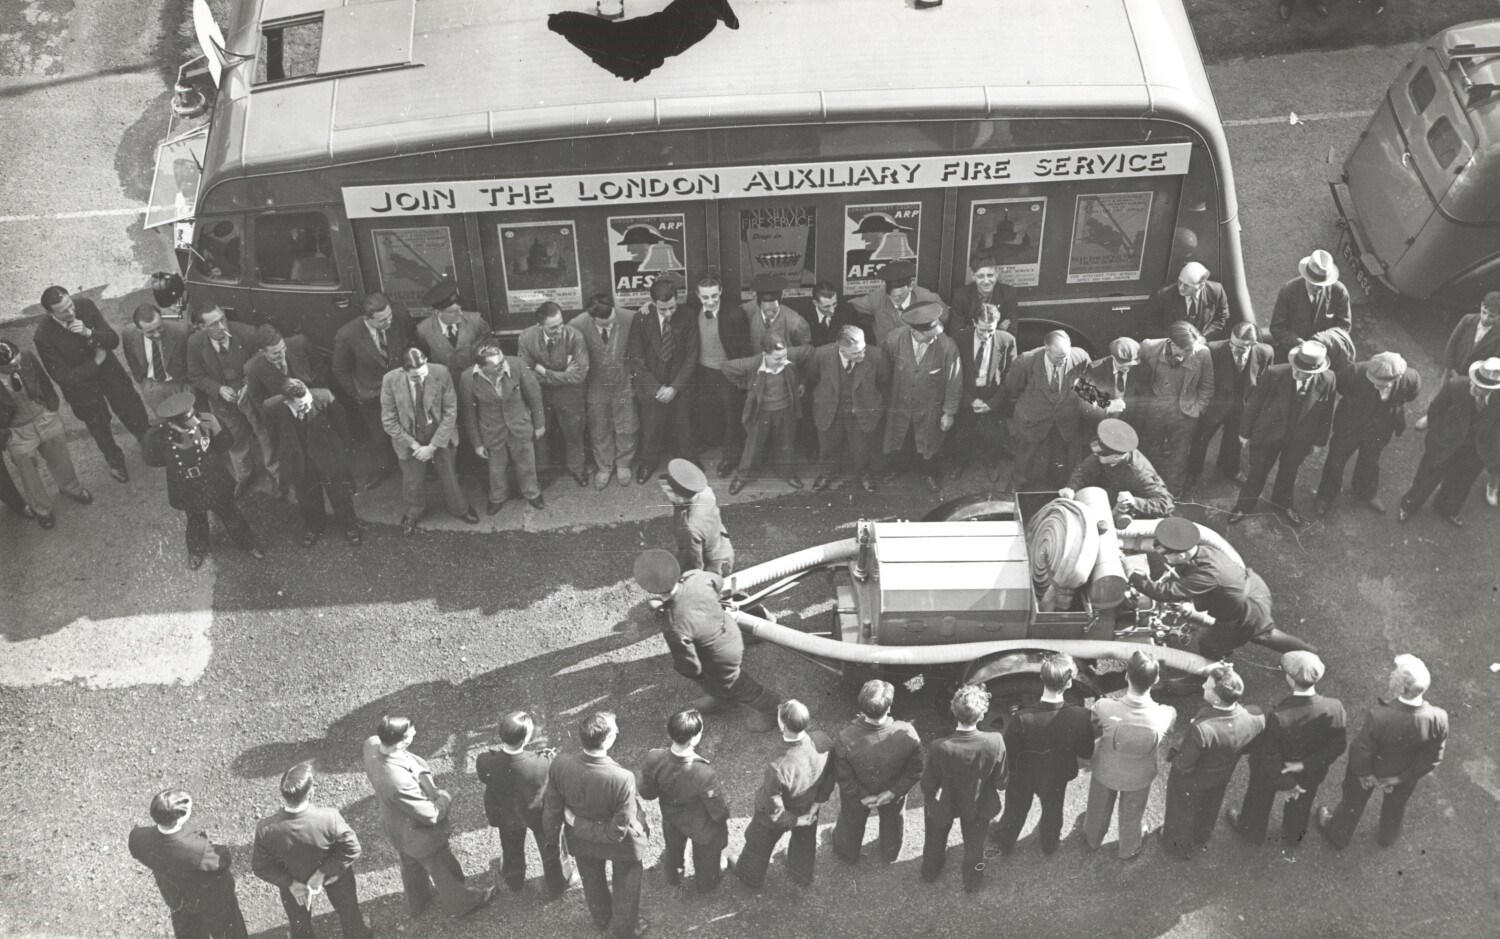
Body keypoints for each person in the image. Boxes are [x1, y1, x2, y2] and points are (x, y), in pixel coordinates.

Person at [362, 715, 497, 918]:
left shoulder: (372, 744)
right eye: (410, 734)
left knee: (410, 864)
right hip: (421, 836)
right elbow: (431, 815)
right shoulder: (398, 782)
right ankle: (465, 903)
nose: (415, 733)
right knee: (443, 870)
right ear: (401, 742)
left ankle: (418, 901)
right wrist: (444, 798)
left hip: (397, 827)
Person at [1130, 517, 1315, 661]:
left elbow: (1165, 592)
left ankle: (1206, 675)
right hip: (1252, 589)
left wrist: (1134, 576)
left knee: (1210, 644)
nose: (1163, 556)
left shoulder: (1207, 575)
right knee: (1264, 632)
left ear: (1183, 554)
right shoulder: (1202, 550)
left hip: (1247, 611)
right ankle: (1309, 652)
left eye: (1165, 554)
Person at [633, 549, 779, 731]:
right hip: (730, 630)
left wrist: (697, 675)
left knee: (734, 684)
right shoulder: (695, 577)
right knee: (721, 678)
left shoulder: (673, 624)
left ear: (649, 589)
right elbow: (718, 583)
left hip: (722, 655)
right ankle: (723, 697)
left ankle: (772, 710)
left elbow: (690, 665)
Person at [1316, 654, 1448, 849]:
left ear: (1403, 688)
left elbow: (1362, 750)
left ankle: (1338, 835)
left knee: (1353, 802)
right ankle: (1387, 837)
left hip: (1370, 771)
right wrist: (1400, 778)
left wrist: (1365, 774)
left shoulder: (1379, 717)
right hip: (1404, 773)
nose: (1391, 676)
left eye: (1395, 675)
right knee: (1395, 807)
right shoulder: (1439, 717)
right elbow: (1432, 758)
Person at [542, 712, 651, 938]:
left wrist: (558, 836)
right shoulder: (622, 777)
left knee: (592, 879)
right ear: (608, 740)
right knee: (627, 883)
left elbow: (552, 808)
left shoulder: (560, 763)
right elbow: (616, 832)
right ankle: (623, 929)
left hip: (582, 841)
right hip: (621, 846)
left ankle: (601, 919)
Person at [1226, 652, 1346, 853]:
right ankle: (1293, 836)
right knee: (1301, 805)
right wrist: (1306, 765)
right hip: (1310, 772)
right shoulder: (1335, 707)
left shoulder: (1279, 717)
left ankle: (1250, 830)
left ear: (1290, 678)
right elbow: (1338, 745)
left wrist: (1289, 783)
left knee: (1259, 798)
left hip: (1276, 772)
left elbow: (1269, 755)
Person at [32, 286, 150, 482]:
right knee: (99, 426)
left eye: (70, 305)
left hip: (111, 375)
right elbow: (63, 376)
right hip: (82, 389)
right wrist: (96, 362)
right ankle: (115, 461)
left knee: (131, 407)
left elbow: (112, 340)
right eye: (63, 311)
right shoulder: (43, 336)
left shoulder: (85, 306)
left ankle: (147, 442)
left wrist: (89, 333)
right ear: (50, 313)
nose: (71, 312)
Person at [251, 762, 372, 939]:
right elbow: (352, 849)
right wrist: (321, 874)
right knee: (349, 912)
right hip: (334, 878)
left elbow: (260, 867)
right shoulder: (329, 817)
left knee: (299, 924)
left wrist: (291, 883)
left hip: (294, 882)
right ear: (311, 792)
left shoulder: (265, 829)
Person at [992, 653, 1095, 856]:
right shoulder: (1081, 716)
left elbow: (1009, 754)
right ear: (1068, 684)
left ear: (1041, 678)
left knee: (1016, 810)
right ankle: (1049, 844)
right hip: (1057, 775)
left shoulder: (1022, 718)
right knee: (1053, 809)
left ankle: (1005, 842)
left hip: (1023, 776)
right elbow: (1086, 751)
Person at [147, 392, 264, 569]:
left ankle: (248, 543)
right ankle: (196, 549)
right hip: (185, 484)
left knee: (230, 513)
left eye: (193, 415)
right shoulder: (157, 437)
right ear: (171, 423)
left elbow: (224, 443)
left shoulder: (208, 422)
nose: (194, 422)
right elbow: (153, 459)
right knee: (195, 518)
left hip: (212, 478)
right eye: (186, 421)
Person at [1160, 664, 1265, 860]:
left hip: (1193, 779)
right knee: (1210, 805)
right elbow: (1253, 742)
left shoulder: (1202, 729)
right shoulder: (1254, 717)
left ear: (1217, 698)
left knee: (1181, 810)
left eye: (1207, 686)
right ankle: (1202, 835)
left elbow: (1184, 765)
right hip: (1222, 774)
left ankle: (1178, 846)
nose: (1202, 688)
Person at [1229, 339, 1337, 527]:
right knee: (1257, 472)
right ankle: (1244, 506)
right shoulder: (1274, 374)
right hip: (1269, 435)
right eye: (1295, 367)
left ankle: (1283, 503)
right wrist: (1244, 433)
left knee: (1289, 473)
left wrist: (1319, 441)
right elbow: (1254, 404)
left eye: (1302, 372)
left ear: (1315, 371)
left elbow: (1327, 413)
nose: (1295, 372)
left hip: (1298, 440)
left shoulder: (1328, 380)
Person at [1083, 650, 1177, 859]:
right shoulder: (1165, 714)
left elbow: (1095, 724)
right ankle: (1128, 848)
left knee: (1098, 807)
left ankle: (1092, 838)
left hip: (1105, 768)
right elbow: (1170, 722)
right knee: (1132, 815)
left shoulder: (1104, 707)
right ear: (1156, 680)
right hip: (1140, 775)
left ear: (1126, 675)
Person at [734, 699, 837, 889]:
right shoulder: (822, 739)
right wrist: (816, 805)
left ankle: (750, 877)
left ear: (783, 726)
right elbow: (830, 775)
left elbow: (772, 806)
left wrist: (794, 821)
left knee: (758, 845)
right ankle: (802, 875)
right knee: (805, 843)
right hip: (809, 806)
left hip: (780, 816)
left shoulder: (777, 766)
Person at [474, 711, 578, 893]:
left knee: (510, 845)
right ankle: (559, 881)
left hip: (506, 813)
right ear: (526, 737)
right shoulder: (544, 762)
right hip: (538, 812)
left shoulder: (484, 761)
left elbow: (485, 778)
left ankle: (514, 879)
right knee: (551, 848)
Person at [920, 684, 1008, 892]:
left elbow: (927, 785)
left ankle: (930, 872)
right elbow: (1001, 780)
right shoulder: (995, 741)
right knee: (976, 848)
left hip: (945, 802)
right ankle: (972, 882)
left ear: (954, 711)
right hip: (979, 804)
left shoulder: (939, 746)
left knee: (934, 839)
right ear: (981, 715)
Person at [381, 347, 479, 534]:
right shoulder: (390, 380)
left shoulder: (441, 372)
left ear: (426, 362)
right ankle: (413, 513)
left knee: (449, 475)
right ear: (403, 371)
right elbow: (389, 421)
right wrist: (415, 445)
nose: (421, 379)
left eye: (423, 374)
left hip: (439, 434)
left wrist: (432, 447)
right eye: (415, 377)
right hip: (408, 438)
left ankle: (460, 508)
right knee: (412, 481)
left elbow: (450, 412)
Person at [129, 788, 248, 939]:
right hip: (210, 898)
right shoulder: (197, 849)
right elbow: (222, 862)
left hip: (175, 896)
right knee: (229, 930)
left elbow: (138, 852)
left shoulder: (137, 837)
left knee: (188, 931)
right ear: (179, 818)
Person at [1315, 351, 1421, 516]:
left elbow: (1412, 394)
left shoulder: (1410, 378)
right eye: (1373, 381)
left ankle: (1365, 491)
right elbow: (1341, 387)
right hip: (1350, 425)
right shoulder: (1355, 372)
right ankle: (1326, 495)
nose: (1376, 385)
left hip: (1381, 428)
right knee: (1336, 460)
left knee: (1371, 460)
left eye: (1381, 384)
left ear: (1397, 378)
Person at [831, 679, 924, 865]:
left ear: (862, 707)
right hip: (893, 792)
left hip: (858, 797)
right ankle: (890, 853)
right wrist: (893, 792)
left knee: (851, 823)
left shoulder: (846, 737)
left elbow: (843, 775)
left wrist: (862, 796)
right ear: (888, 708)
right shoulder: (908, 732)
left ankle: (848, 854)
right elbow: (915, 769)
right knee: (893, 822)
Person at [0, 340, 92, 530]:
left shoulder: (26, 356)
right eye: (12, 367)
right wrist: (5, 435)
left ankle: (71, 488)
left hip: (44, 417)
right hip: (17, 431)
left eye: (18, 361)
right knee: (28, 473)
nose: (19, 366)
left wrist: (51, 407)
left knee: (60, 457)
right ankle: (43, 509)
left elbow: (43, 381)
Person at [638, 709, 732, 892]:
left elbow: (647, 793)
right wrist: (723, 820)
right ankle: (706, 884)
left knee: (673, 851)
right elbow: (718, 811)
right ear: (694, 738)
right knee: (706, 858)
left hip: (672, 818)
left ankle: (674, 875)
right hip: (701, 826)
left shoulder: (654, 757)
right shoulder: (704, 773)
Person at [1399, 358, 1500, 523]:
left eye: (1481, 387)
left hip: (1475, 450)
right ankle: (1409, 506)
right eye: (1475, 381)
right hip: (1445, 442)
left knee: (1461, 483)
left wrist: (1490, 448)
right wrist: (1437, 435)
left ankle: (1447, 509)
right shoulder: (1456, 385)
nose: (1474, 387)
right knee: (1426, 478)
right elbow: (1435, 411)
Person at [187, 305, 272, 499]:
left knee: (264, 433)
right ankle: (245, 477)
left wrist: (248, 385)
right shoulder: (195, 343)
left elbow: (263, 359)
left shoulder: (246, 333)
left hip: (251, 396)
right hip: (224, 402)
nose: (222, 325)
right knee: (235, 439)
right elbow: (195, 375)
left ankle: (276, 474)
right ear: (202, 327)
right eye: (214, 323)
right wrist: (218, 389)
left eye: (223, 319)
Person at [265, 379, 362, 546]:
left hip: (327, 455)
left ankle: (350, 527)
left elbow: (343, 427)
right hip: (299, 459)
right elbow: (274, 435)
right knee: (307, 496)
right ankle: (314, 526)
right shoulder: (272, 408)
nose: (307, 407)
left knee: (340, 493)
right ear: (288, 402)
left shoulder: (325, 397)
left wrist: (340, 453)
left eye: (308, 402)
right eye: (301, 405)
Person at [333, 292, 413, 490]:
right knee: (379, 435)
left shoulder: (400, 316)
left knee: (409, 428)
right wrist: (356, 393)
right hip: (371, 395)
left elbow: (412, 345)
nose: (389, 321)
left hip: (403, 388)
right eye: (383, 320)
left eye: (389, 316)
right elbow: (340, 369)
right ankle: (383, 467)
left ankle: (415, 467)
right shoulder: (348, 334)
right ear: (366, 319)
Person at [1184, 321, 1273, 494]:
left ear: (1253, 344)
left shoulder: (1266, 352)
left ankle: (1229, 468)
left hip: (1241, 408)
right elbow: (1201, 380)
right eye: (1232, 344)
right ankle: (1193, 472)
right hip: (1215, 406)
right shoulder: (1213, 349)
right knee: (1200, 440)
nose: (1234, 349)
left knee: (1234, 442)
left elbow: (1265, 381)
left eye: (1241, 348)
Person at [882, 302, 962, 490]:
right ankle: (899, 466)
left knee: (930, 442)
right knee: (900, 436)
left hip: (930, 408)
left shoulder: (948, 346)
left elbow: (954, 381)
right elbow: (885, 371)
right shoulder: (894, 339)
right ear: (914, 331)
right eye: (929, 336)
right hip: (900, 404)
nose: (934, 339)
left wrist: (949, 413)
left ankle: (930, 473)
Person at [627, 274, 699, 483]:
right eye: (663, 309)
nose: (668, 313)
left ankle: (688, 463)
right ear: (652, 303)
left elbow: (691, 355)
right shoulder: (641, 318)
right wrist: (656, 388)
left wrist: (675, 387)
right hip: (653, 386)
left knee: (683, 426)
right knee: (651, 428)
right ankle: (647, 464)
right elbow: (636, 358)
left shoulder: (687, 315)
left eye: (672, 308)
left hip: (679, 383)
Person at [1005, 329, 1099, 489]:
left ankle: (1055, 490)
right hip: (1034, 418)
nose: (1063, 361)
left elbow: (1086, 382)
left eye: (1066, 356)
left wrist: (1092, 397)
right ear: (1046, 349)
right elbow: (1013, 388)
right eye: (1058, 358)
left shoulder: (1080, 356)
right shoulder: (1026, 360)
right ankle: (1015, 489)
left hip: (1064, 419)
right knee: (1026, 458)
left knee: (1059, 458)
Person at [458, 342, 546, 512]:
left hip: (519, 425)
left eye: (502, 361)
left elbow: (534, 395)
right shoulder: (467, 378)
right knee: (496, 468)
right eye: (496, 365)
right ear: (481, 366)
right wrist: (477, 443)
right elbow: (468, 413)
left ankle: (532, 493)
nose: (502, 366)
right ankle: (498, 496)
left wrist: (539, 424)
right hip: (492, 430)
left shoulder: (517, 364)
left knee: (526, 463)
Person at [721, 334, 813, 494]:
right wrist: (745, 384)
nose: (783, 361)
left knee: (786, 444)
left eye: (784, 356)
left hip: (785, 410)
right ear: (765, 355)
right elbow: (726, 367)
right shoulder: (752, 364)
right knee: (753, 446)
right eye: (777, 358)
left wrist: (802, 380)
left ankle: (787, 473)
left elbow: (810, 351)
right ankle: (743, 476)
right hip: (761, 412)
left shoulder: (790, 356)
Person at [804, 325, 889, 492]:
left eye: (863, 349)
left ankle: (864, 473)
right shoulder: (821, 354)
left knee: (862, 446)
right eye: (856, 353)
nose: (862, 355)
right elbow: (812, 375)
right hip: (830, 408)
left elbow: (884, 381)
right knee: (829, 444)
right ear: (841, 349)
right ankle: (828, 472)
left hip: (862, 409)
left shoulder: (877, 356)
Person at [1132, 322, 1215, 493]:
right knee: (1147, 447)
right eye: (1187, 350)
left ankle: (1173, 491)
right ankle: (1145, 488)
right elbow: (1135, 373)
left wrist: (1198, 409)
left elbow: (1207, 386)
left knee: (1179, 454)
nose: (1192, 352)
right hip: (1155, 409)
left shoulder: (1202, 354)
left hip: (1185, 413)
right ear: (1173, 343)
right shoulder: (1149, 347)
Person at [571, 293, 640, 488]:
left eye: (610, 321)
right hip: (597, 384)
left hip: (623, 382)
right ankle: (605, 466)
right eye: (602, 323)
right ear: (592, 317)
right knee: (599, 427)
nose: (607, 325)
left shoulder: (629, 317)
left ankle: (624, 464)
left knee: (627, 425)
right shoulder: (578, 324)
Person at [518, 301, 591, 487]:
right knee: (539, 433)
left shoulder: (575, 336)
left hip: (571, 395)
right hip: (540, 395)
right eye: (553, 328)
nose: (559, 330)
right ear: (539, 325)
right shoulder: (526, 337)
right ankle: (542, 472)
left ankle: (577, 469)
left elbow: (580, 375)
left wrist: (543, 371)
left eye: (561, 324)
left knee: (574, 432)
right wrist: (563, 374)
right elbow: (525, 372)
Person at [686, 276, 752, 476]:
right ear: (698, 295)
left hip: (726, 372)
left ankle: (731, 457)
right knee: (708, 409)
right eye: (705, 297)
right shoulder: (691, 310)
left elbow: (744, 349)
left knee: (732, 415)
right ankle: (711, 441)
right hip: (703, 371)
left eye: (714, 295)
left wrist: (741, 377)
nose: (710, 301)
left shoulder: (734, 314)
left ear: (721, 291)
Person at [949, 301, 1017, 481]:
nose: (986, 335)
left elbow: (1009, 377)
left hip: (992, 396)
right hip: (968, 394)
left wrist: (992, 403)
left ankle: (992, 464)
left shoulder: (1007, 340)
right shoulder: (959, 339)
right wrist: (970, 400)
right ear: (973, 322)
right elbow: (953, 375)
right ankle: (960, 463)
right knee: (962, 433)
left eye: (991, 331)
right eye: (982, 330)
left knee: (993, 435)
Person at [1060, 418, 1175, 519]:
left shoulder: (1140, 472)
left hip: (1130, 514)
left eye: (1100, 454)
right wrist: (1071, 488)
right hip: (1104, 504)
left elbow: (1166, 504)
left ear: (1115, 457)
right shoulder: (1105, 453)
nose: (1095, 455)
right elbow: (1083, 470)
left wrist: (1134, 501)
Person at [1269, 249, 1351, 362]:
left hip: (1324, 354)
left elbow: (1344, 326)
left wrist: (1321, 340)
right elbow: (1277, 328)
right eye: (1313, 283)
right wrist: (1301, 344)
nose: (1317, 288)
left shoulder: (1339, 291)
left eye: (1322, 285)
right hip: (1292, 352)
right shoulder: (1288, 291)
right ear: (1305, 276)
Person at [659, 458, 733, 576]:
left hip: (713, 566)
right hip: (720, 547)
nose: (664, 491)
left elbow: (694, 565)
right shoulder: (703, 491)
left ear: (681, 499)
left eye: (668, 491)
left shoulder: (690, 528)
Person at [851, 259, 947, 349]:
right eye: (892, 296)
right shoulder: (877, 298)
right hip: (887, 355)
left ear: (911, 286)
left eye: (901, 296)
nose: (896, 299)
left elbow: (945, 318)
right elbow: (852, 305)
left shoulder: (928, 299)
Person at [122, 304, 192, 418]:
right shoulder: (128, 333)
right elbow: (131, 358)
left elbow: (194, 361)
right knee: (166, 423)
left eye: (159, 327)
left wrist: (189, 388)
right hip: (152, 388)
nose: (157, 334)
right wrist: (142, 383)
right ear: (139, 329)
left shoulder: (182, 331)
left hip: (179, 384)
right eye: (150, 332)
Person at [415, 280, 489, 375]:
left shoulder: (476, 321)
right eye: (453, 312)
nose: (460, 313)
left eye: (460, 309)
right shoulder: (423, 330)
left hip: (475, 379)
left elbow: (489, 347)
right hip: (446, 382)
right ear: (437, 312)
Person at [1146, 262, 1232, 341]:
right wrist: (1177, 340)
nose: (1180, 287)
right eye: (1180, 282)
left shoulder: (1216, 291)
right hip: (1173, 344)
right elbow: (1149, 325)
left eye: (1186, 286)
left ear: (1201, 286)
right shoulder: (1162, 294)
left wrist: (1203, 338)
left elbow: (1222, 318)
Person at [244, 324, 321, 410]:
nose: (282, 355)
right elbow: (260, 402)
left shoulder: (300, 342)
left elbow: (319, 367)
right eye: (276, 353)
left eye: (283, 348)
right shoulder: (252, 369)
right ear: (262, 352)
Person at [947, 251, 1018, 334]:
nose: (986, 281)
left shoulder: (1008, 293)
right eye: (980, 276)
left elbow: (1011, 333)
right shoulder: (961, 296)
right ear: (973, 276)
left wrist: (971, 329)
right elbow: (957, 333)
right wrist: (998, 329)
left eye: (990, 275)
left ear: (997, 274)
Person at [739, 274, 811, 352]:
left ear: (781, 297)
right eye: (764, 308)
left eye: (774, 308)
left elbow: (805, 354)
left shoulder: (796, 323)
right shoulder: (747, 311)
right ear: (757, 301)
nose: (769, 312)